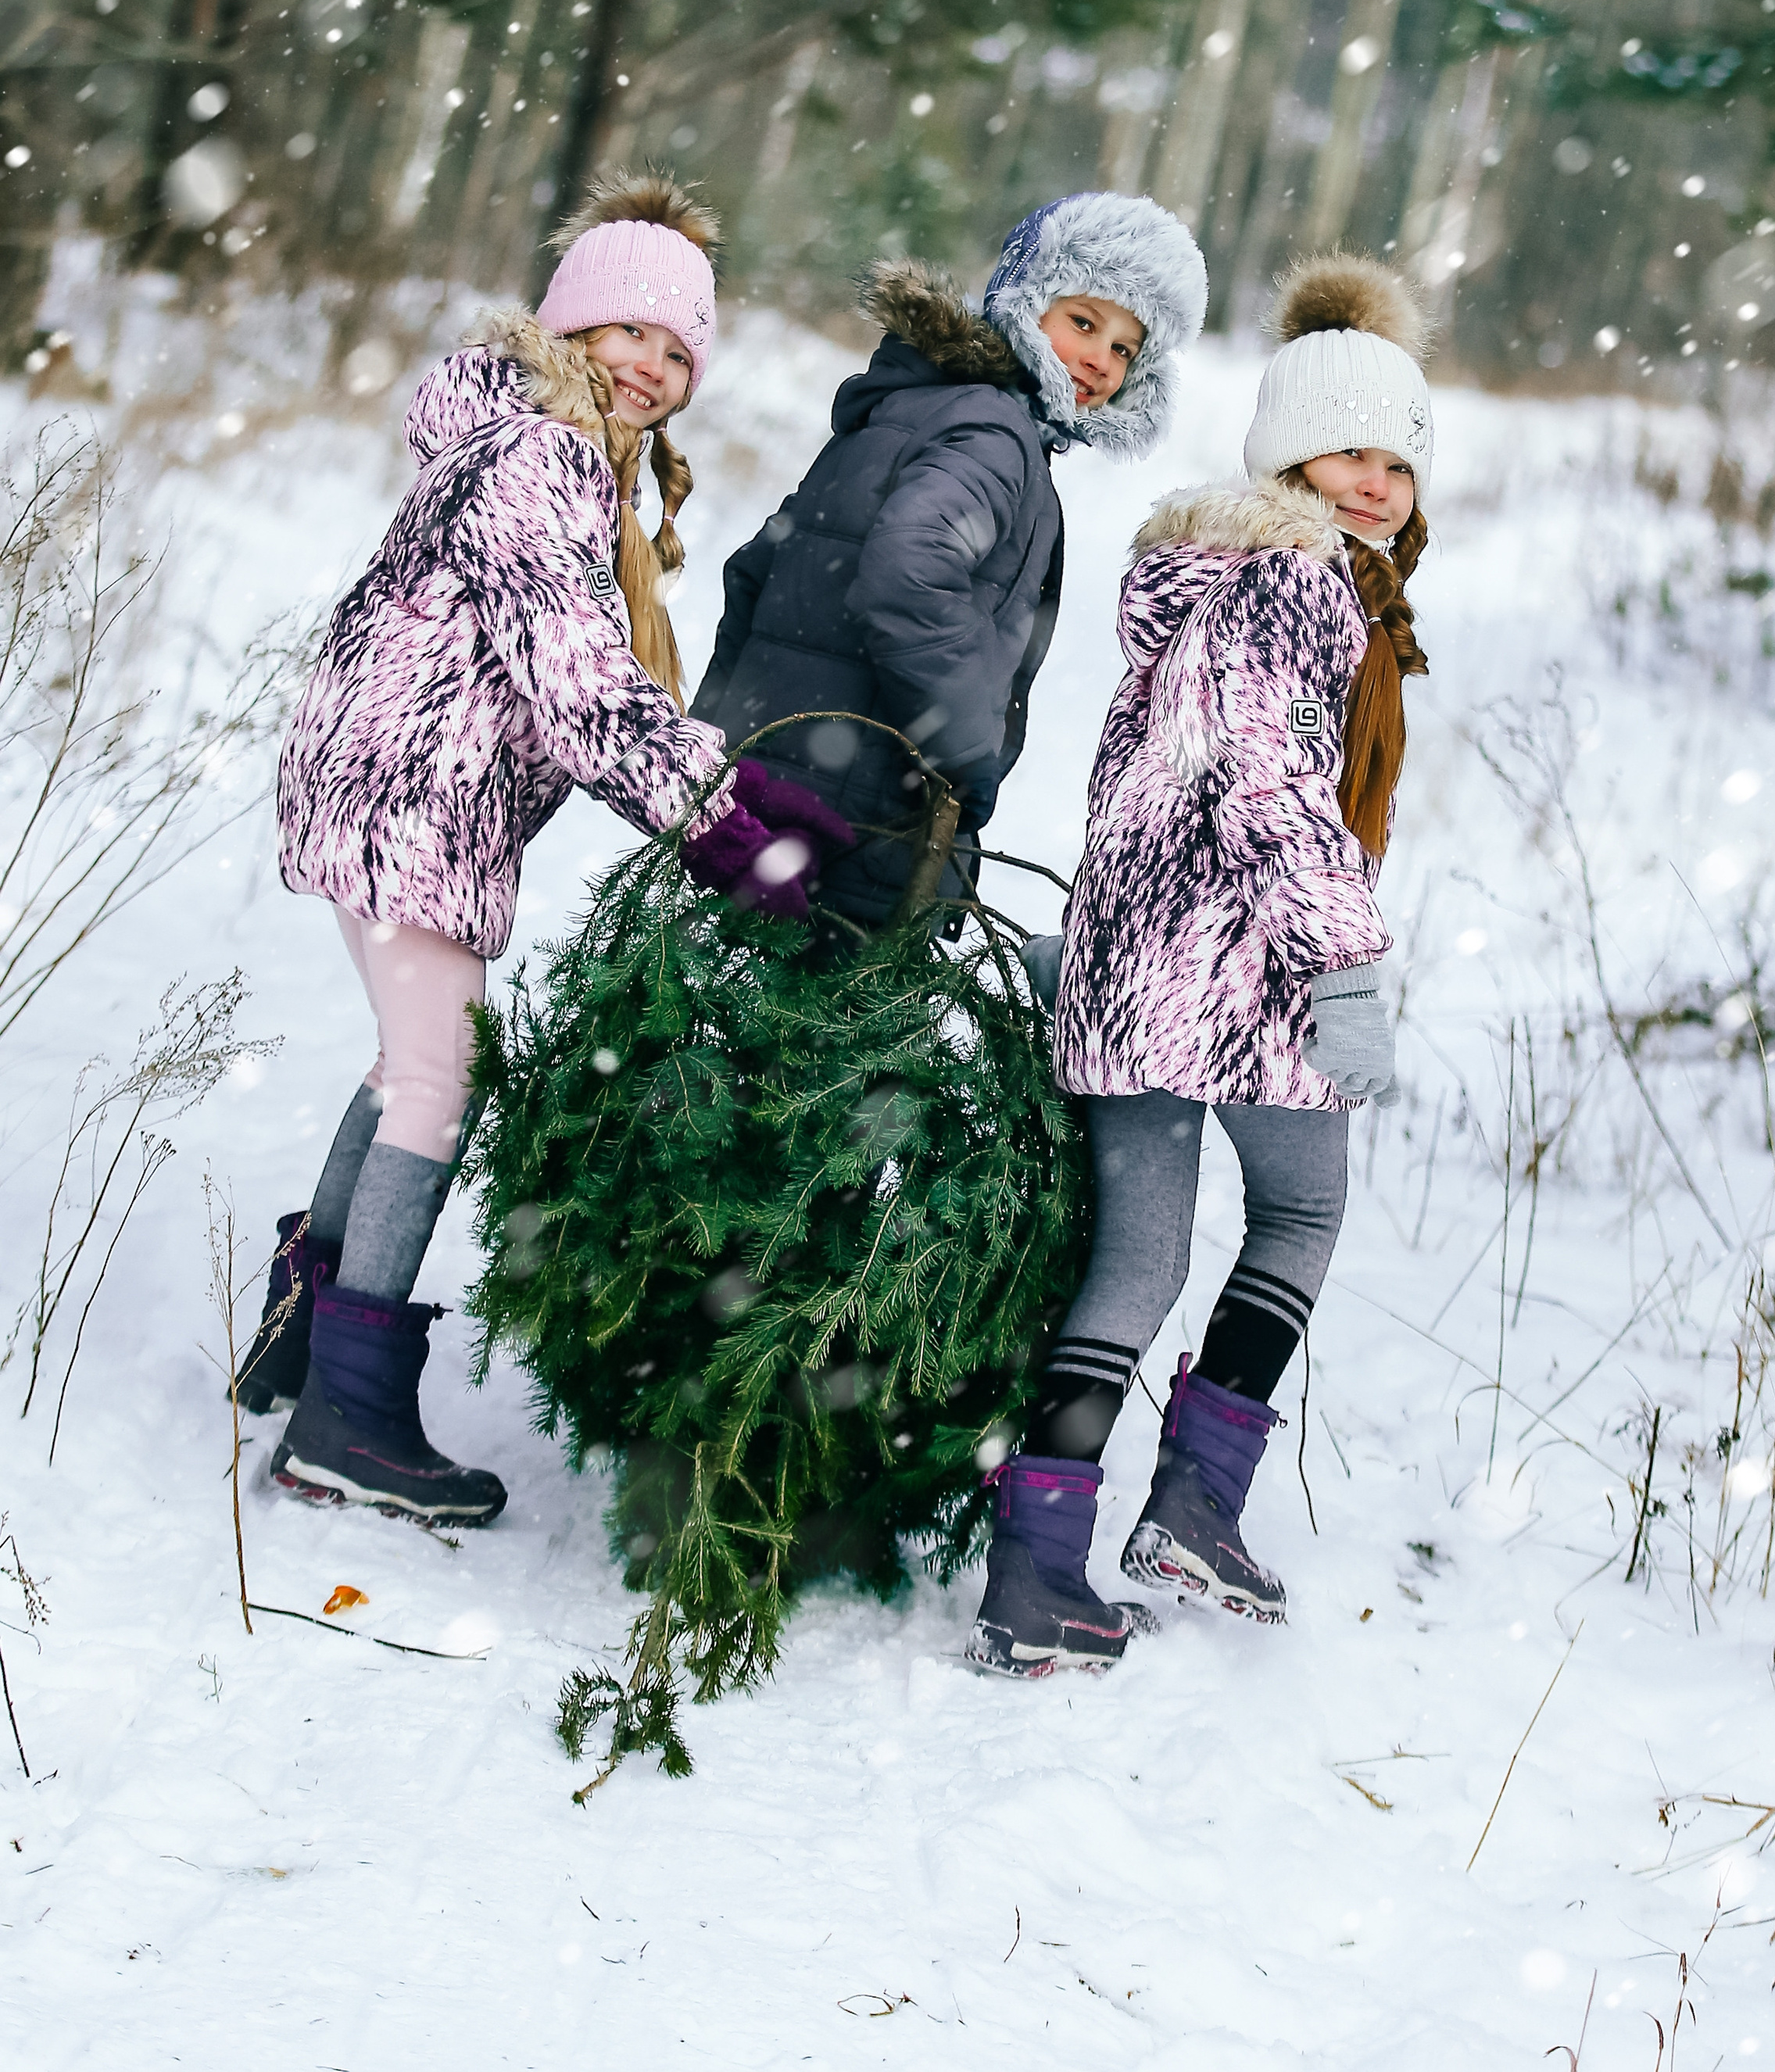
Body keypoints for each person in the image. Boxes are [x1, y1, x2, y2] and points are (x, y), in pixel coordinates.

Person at [243, 172, 849, 1524]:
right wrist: (725, 824)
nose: (647, 365)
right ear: (567, 331)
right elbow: (578, 682)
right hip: (415, 792)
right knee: (435, 1085)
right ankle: (348, 1414)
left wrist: (723, 794)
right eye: (624, 333)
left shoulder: (536, 443)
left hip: (403, 783)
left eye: (676, 349)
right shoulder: (539, 454)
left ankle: (304, 1332)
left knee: (409, 1063)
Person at [968, 252, 1433, 1678]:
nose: (1369, 481)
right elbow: (1265, 780)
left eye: (1395, 461)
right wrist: (1342, 968)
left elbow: (1161, 771)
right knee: (1298, 1217)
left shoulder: (1217, 574)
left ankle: (1040, 1564)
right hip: (1238, 969)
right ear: (1286, 456)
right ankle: (1192, 1510)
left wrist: (1101, 944)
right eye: (1341, 451)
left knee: (1143, 1254)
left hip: (1145, 967)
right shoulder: (1293, 580)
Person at [692, 193, 1209, 927]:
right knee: (834, 1031)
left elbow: (755, 568)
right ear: (1025, 306)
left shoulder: (925, 403)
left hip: (776, 799)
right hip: (864, 816)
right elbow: (909, 570)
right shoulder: (995, 435)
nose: (1101, 358)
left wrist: (716, 757)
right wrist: (965, 755)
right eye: (1084, 322)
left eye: (1126, 348)